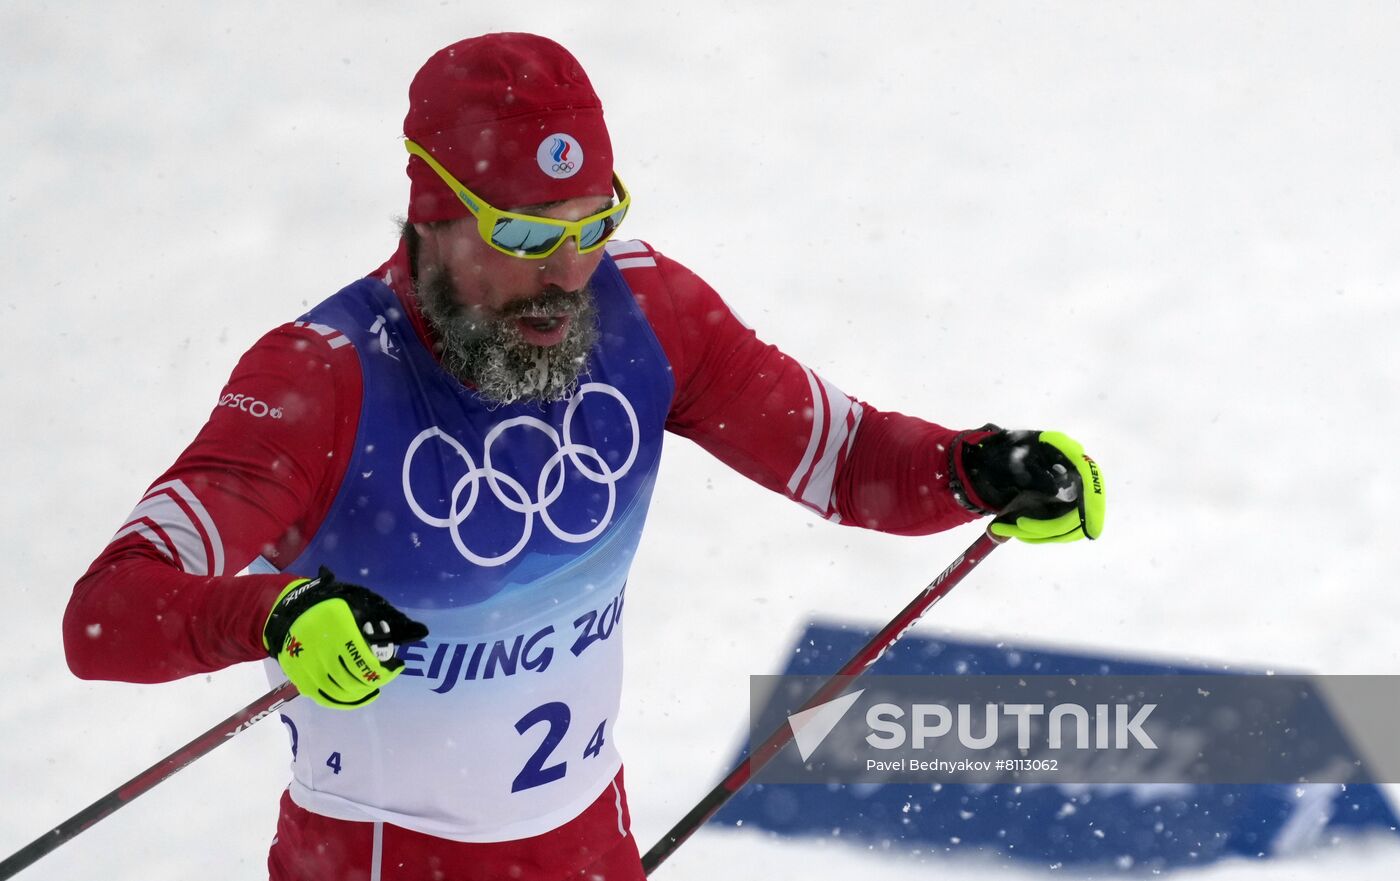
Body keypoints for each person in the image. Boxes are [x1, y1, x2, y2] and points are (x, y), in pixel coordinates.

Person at [62, 32, 1105, 881]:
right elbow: (107, 615)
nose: (567, 273)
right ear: (434, 214)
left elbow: (841, 456)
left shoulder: (646, 309)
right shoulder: (320, 378)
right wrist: (275, 614)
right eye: (522, 236)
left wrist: (974, 468)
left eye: (593, 222)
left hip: (587, 848)